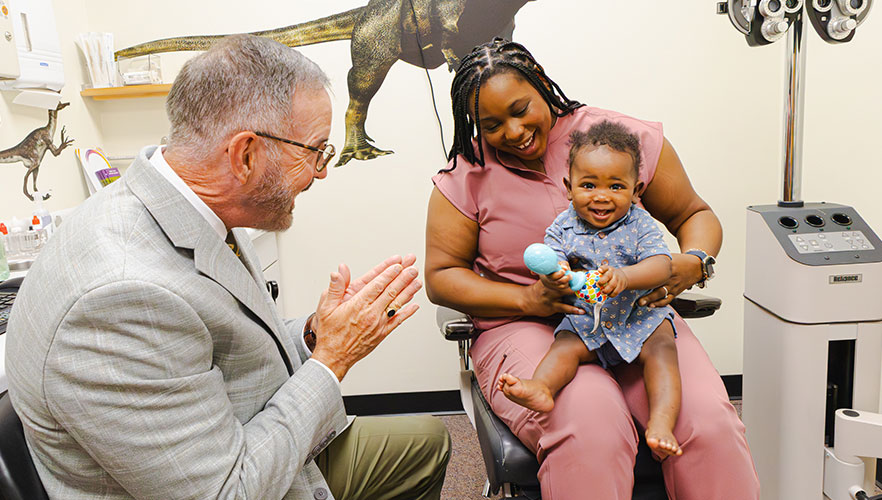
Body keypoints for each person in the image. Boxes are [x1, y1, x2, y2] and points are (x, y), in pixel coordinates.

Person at [6, 34, 449, 500]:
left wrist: (318, 333)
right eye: (315, 151)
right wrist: (333, 360)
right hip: (235, 480)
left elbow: (230, 350)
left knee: (427, 442)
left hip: (240, 436)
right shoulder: (121, 297)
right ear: (246, 156)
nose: (321, 171)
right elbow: (227, 492)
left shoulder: (193, 207)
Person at [425, 38, 759, 499]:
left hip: (635, 315)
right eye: (492, 124)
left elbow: (693, 215)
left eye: (522, 109)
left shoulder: (617, 139)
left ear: (542, 82)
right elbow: (441, 276)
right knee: (591, 422)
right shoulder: (467, 174)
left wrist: (693, 262)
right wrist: (526, 298)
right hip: (528, 325)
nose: (514, 131)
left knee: (708, 424)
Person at [497, 121, 683, 459]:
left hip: (639, 317)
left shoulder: (640, 223)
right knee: (563, 347)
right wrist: (557, 274)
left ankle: (661, 423)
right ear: (568, 187)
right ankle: (542, 388)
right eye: (588, 185)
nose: (601, 196)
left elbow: (662, 265)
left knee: (664, 350)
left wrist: (626, 277)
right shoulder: (563, 226)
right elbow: (552, 260)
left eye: (615, 186)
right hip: (587, 319)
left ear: (636, 190)